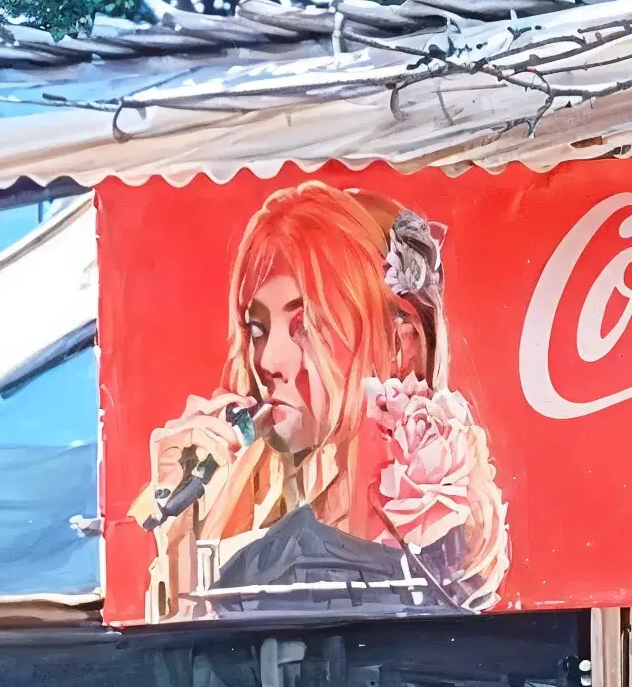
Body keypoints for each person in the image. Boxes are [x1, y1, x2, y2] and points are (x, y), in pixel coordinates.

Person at [133, 180, 511, 614]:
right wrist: (180, 533)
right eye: (257, 330)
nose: (268, 360)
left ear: (399, 344)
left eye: (306, 326)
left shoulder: (428, 511)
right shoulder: (241, 489)